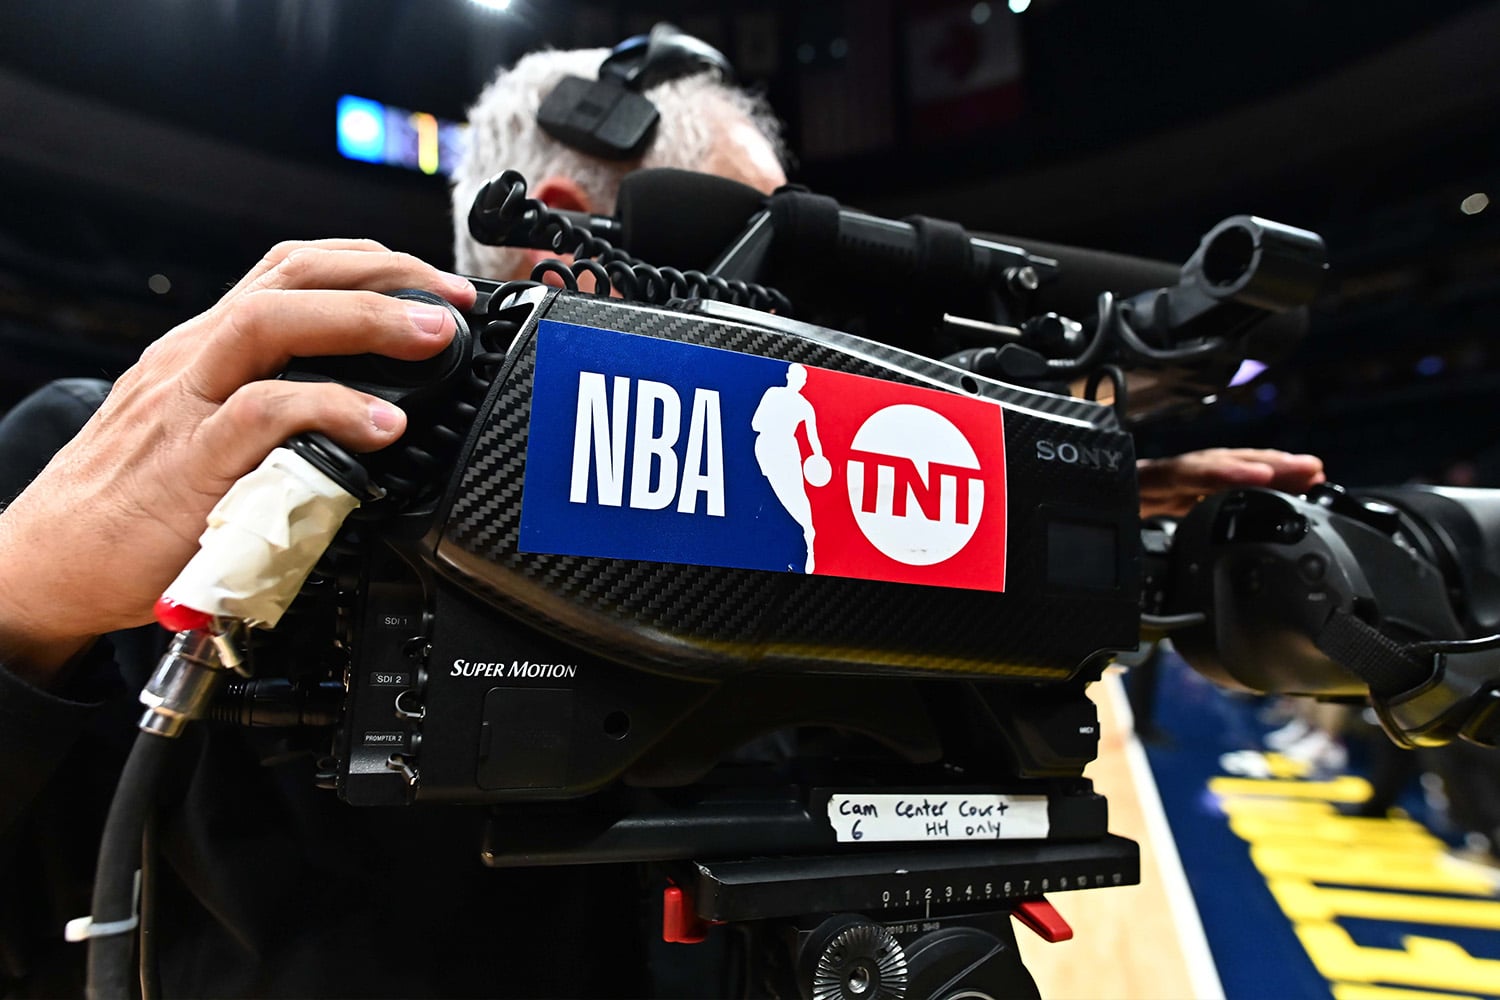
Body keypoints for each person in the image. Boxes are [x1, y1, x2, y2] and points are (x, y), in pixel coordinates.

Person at [0, 38, 1324, 997]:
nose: (812, 340)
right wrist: (20, 596)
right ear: (572, 225)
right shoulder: (151, 453)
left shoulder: (811, 491)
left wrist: (1046, 484)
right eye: (765, 259)